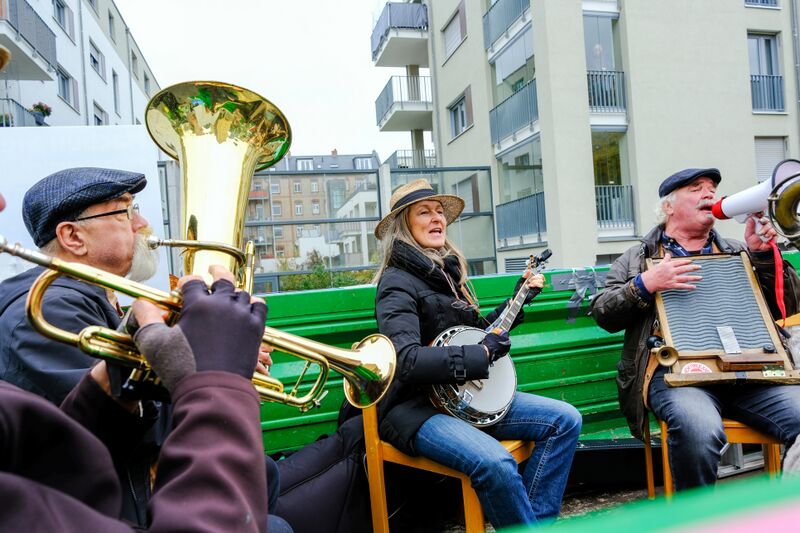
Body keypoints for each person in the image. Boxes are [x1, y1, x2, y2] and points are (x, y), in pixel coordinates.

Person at [0, 263, 274, 532]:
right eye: (124, 215)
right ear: (72, 236)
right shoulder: (53, 304)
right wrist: (218, 384)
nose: (141, 225)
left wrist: (122, 371)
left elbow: (49, 471)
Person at [372, 179, 582, 528]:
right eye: (424, 212)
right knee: (496, 463)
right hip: (416, 408)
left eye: (440, 211)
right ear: (403, 226)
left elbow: (479, 337)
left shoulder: (447, 275)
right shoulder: (396, 283)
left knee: (565, 421)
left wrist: (518, 299)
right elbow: (405, 360)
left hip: (463, 398)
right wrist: (481, 356)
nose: (437, 218)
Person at [590, 167, 800, 491]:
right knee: (699, 430)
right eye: (696, 188)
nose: (709, 194)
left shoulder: (737, 249)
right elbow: (603, 313)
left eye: (712, 188)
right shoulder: (638, 257)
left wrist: (761, 254)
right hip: (680, 377)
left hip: (753, 372)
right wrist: (644, 285)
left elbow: (790, 303)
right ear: (669, 207)